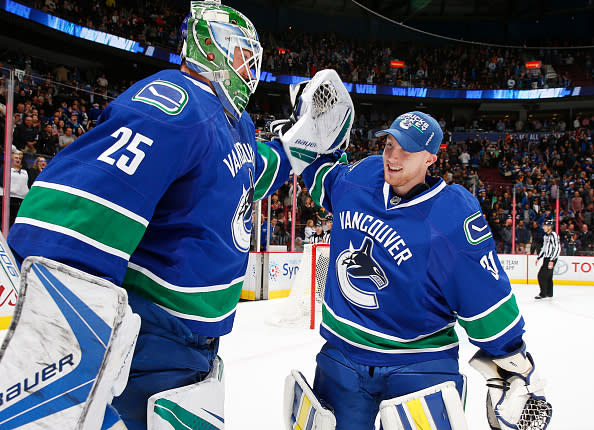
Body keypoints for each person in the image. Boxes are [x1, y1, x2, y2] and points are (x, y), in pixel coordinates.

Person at [3, 2, 299, 429]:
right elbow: (82, 201)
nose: (250, 70)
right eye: (242, 55)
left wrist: (298, 151)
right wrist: (62, 323)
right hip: (154, 335)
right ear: (210, 48)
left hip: (195, 344)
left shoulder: (235, 123)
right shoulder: (177, 104)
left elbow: (252, 172)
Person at [292, 111, 551, 429]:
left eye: (406, 149)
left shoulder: (451, 216)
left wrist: (512, 363)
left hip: (420, 361)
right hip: (343, 354)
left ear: (431, 157)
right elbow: (324, 179)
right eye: (388, 144)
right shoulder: (360, 177)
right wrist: (306, 141)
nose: (392, 156)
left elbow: (483, 294)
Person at [0, 150, 30, 227]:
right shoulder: (5, 169)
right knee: (5, 220)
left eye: (20, 158)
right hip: (8, 198)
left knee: (15, 221)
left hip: (21, 200)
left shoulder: (25, 171)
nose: (18, 160)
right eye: (16, 158)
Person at [535, 219, 560, 299]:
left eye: (545, 226)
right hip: (546, 258)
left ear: (550, 227)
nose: (543, 227)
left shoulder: (554, 235)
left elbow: (557, 248)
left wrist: (552, 260)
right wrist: (539, 257)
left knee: (541, 276)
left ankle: (543, 293)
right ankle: (549, 293)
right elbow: (544, 248)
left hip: (551, 258)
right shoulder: (545, 236)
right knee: (548, 276)